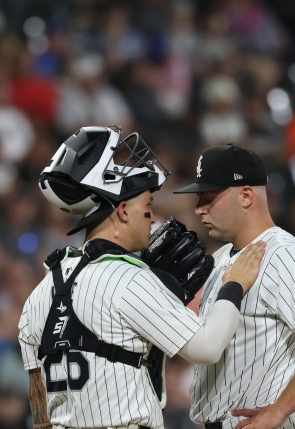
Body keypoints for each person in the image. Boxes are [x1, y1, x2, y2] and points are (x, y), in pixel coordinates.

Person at [17, 126, 265, 429]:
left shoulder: (39, 294)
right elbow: (207, 347)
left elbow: (38, 404)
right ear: (122, 211)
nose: (151, 216)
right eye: (147, 205)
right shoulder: (126, 278)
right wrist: (234, 284)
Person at [174, 144, 295, 429]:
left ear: (245, 196)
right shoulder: (221, 258)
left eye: (208, 198)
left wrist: (279, 411)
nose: (198, 209)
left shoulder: (283, 254)